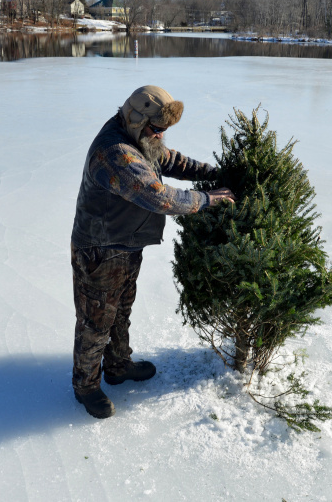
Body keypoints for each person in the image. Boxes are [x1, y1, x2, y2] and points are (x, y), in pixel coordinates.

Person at [70, 85, 235, 418]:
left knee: (121, 309)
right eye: (155, 128)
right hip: (100, 250)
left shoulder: (138, 135)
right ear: (136, 118)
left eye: (164, 130)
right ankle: (85, 386)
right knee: (96, 321)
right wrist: (210, 198)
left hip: (126, 243)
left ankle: (117, 365)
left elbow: (168, 159)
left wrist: (212, 173)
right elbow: (160, 197)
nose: (159, 135)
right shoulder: (116, 151)